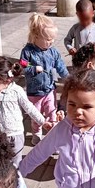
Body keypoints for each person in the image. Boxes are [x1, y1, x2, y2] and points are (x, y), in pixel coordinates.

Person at [0, 56, 52, 166]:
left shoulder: (16, 91)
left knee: (15, 164)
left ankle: (17, 181)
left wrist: (43, 122)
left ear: (8, 79)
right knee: (0, 163)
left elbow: (29, 108)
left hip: (15, 135)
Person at [20, 14, 69, 145]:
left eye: (53, 39)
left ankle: (53, 134)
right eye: (47, 39)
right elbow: (23, 66)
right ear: (36, 37)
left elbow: (60, 66)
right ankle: (36, 133)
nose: (51, 42)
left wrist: (68, 79)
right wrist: (34, 69)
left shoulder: (53, 52)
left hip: (49, 90)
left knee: (52, 112)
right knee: (36, 116)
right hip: (34, 92)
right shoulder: (28, 51)